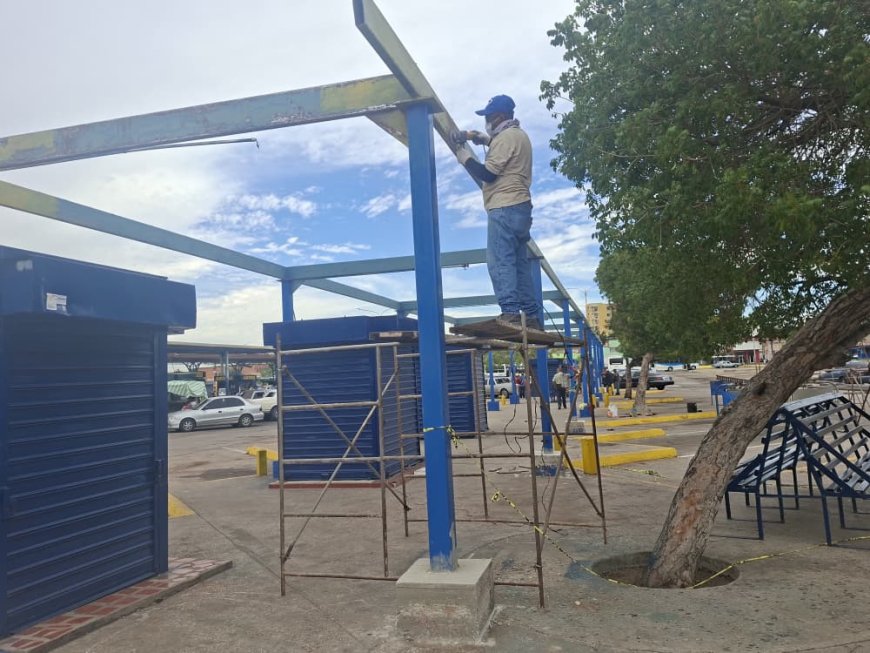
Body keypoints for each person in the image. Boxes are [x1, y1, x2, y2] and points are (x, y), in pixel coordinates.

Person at [455, 94, 541, 331]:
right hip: (521, 208)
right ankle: (532, 317)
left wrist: (464, 158)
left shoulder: (505, 138)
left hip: (504, 206)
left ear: (500, 116)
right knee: (519, 265)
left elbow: (489, 174)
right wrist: (479, 138)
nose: (488, 122)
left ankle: (511, 313)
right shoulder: (519, 136)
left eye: (490, 117)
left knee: (500, 261)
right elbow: (502, 151)